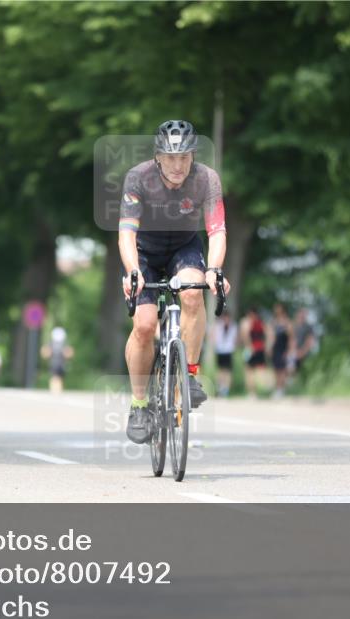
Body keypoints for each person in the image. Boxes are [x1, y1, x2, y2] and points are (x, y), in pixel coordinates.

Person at [120, 120, 231, 444]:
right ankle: (140, 404)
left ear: (193, 156)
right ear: (158, 156)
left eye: (185, 157)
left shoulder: (207, 179)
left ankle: (190, 374)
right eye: (171, 157)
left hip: (184, 248)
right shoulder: (138, 178)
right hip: (144, 252)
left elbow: (217, 231)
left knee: (194, 295)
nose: (178, 165)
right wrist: (132, 271)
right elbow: (126, 232)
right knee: (143, 325)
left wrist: (214, 269)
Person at [240, 306, 269, 399]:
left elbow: (245, 335)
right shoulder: (261, 323)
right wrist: (266, 345)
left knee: (249, 371)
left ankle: (253, 392)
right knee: (259, 370)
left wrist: (249, 346)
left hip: (252, 349)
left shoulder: (247, 322)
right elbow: (268, 334)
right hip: (260, 348)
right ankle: (261, 390)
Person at [211, 311, 238, 398]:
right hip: (220, 350)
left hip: (229, 350)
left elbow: (235, 338)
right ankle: (220, 387)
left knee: (228, 371)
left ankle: (226, 389)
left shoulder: (233, 326)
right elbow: (213, 336)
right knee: (220, 370)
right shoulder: (218, 326)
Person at [41, 326, 74, 394]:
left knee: (57, 377)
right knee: (56, 377)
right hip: (56, 364)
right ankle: (55, 390)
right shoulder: (59, 343)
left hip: (59, 364)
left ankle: (56, 390)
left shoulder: (55, 343)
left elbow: (69, 353)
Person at [270, 303, 293, 398]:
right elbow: (271, 336)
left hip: (283, 348)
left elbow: (291, 338)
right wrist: (270, 348)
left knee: (282, 369)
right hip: (276, 348)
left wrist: (289, 350)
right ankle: (278, 388)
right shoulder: (274, 322)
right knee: (276, 369)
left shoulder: (287, 322)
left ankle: (281, 389)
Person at [291, 308, 316, 374]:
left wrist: (303, 352)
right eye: (300, 314)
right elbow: (290, 339)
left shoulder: (308, 327)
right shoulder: (293, 326)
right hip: (293, 351)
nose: (301, 316)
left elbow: (311, 341)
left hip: (304, 352)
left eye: (303, 315)